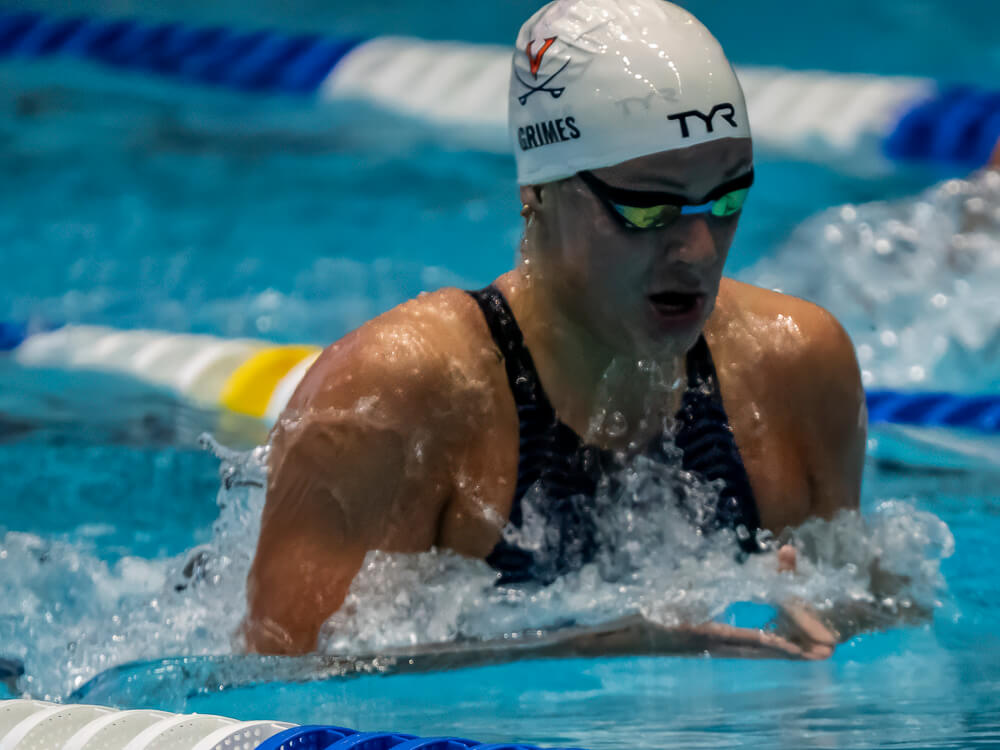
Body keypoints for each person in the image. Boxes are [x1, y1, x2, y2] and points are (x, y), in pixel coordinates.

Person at [241, 0, 867, 658]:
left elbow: (877, 610)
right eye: (649, 209)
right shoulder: (395, 397)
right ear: (539, 190)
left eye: (728, 200)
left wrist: (838, 619)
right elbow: (281, 683)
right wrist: (574, 648)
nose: (700, 250)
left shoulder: (794, 365)